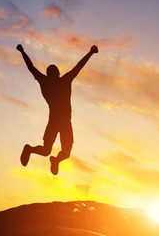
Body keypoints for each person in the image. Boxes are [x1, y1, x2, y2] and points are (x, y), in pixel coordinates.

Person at [17, 44, 98, 175]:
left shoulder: (47, 82)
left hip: (62, 122)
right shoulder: (60, 81)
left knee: (58, 152)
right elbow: (78, 67)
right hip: (57, 121)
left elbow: (32, 68)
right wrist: (90, 53)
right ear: (56, 74)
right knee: (52, 151)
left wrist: (23, 51)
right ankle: (31, 150)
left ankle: (54, 160)